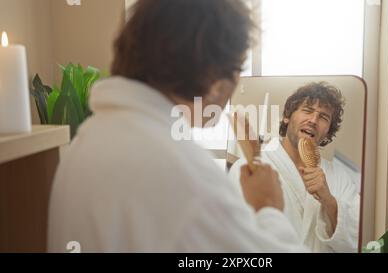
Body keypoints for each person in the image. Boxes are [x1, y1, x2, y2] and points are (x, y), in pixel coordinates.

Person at [48, 0, 306, 252]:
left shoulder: (85, 141)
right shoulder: (185, 173)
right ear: (214, 77)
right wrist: (268, 207)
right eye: (238, 68)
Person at [229, 82, 360, 252]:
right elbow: (236, 236)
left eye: (323, 117)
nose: (313, 120)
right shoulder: (249, 168)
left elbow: (354, 241)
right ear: (287, 116)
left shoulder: (340, 177)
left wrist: (329, 201)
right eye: (307, 110)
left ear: (328, 131)